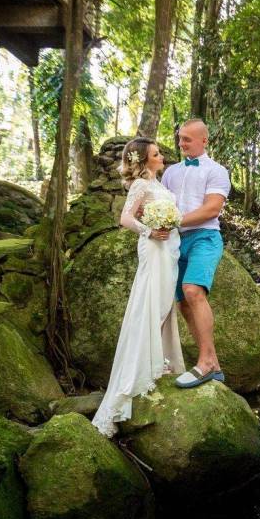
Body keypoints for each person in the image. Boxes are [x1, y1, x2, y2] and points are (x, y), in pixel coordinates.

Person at [92, 138, 186, 437]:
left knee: (163, 305)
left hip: (170, 250)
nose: (162, 157)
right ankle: (144, 369)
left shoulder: (159, 185)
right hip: (154, 249)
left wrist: (171, 227)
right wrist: (150, 231)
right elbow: (125, 218)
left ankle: (159, 361)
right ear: (145, 161)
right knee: (151, 304)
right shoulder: (141, 187)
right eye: (157, 154)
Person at [161, 119, 232, 388]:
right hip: (176, 243)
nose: (181, 144)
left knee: (193, 290)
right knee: (182, 302)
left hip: (205, 238)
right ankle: (213, 363)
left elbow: (211, 209)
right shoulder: (170, 173)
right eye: (180, 138)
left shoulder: (217, 171)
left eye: (187, 139)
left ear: (204, 140)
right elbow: (161, 204)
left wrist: (175, 220)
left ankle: (204, 362)